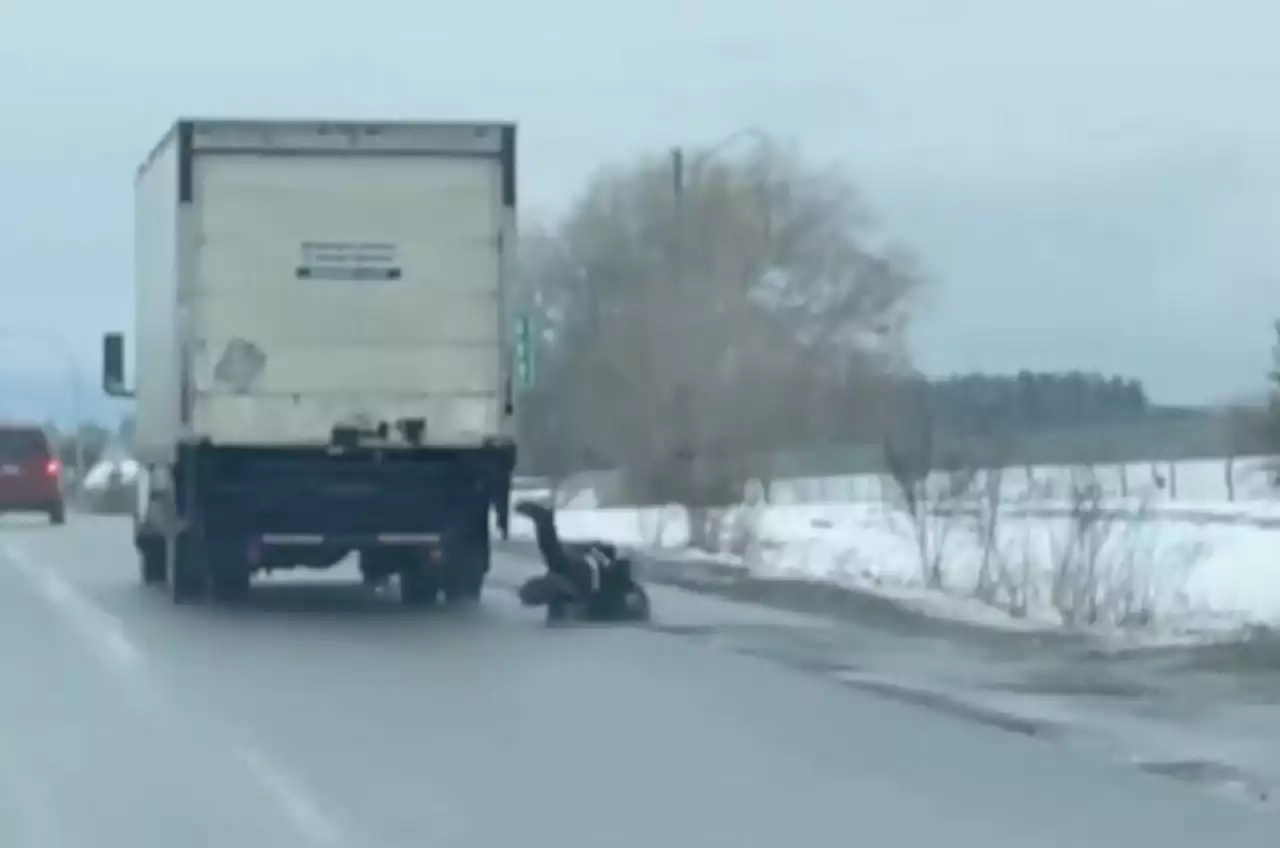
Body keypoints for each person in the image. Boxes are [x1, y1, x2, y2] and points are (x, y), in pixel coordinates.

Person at [513, 500, 650, 622]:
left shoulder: (621, 585)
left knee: (556, 563)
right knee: (557, 563)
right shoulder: (620, 578)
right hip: (586, 579)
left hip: (585, 581)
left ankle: (545, 521)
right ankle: (545, 521)